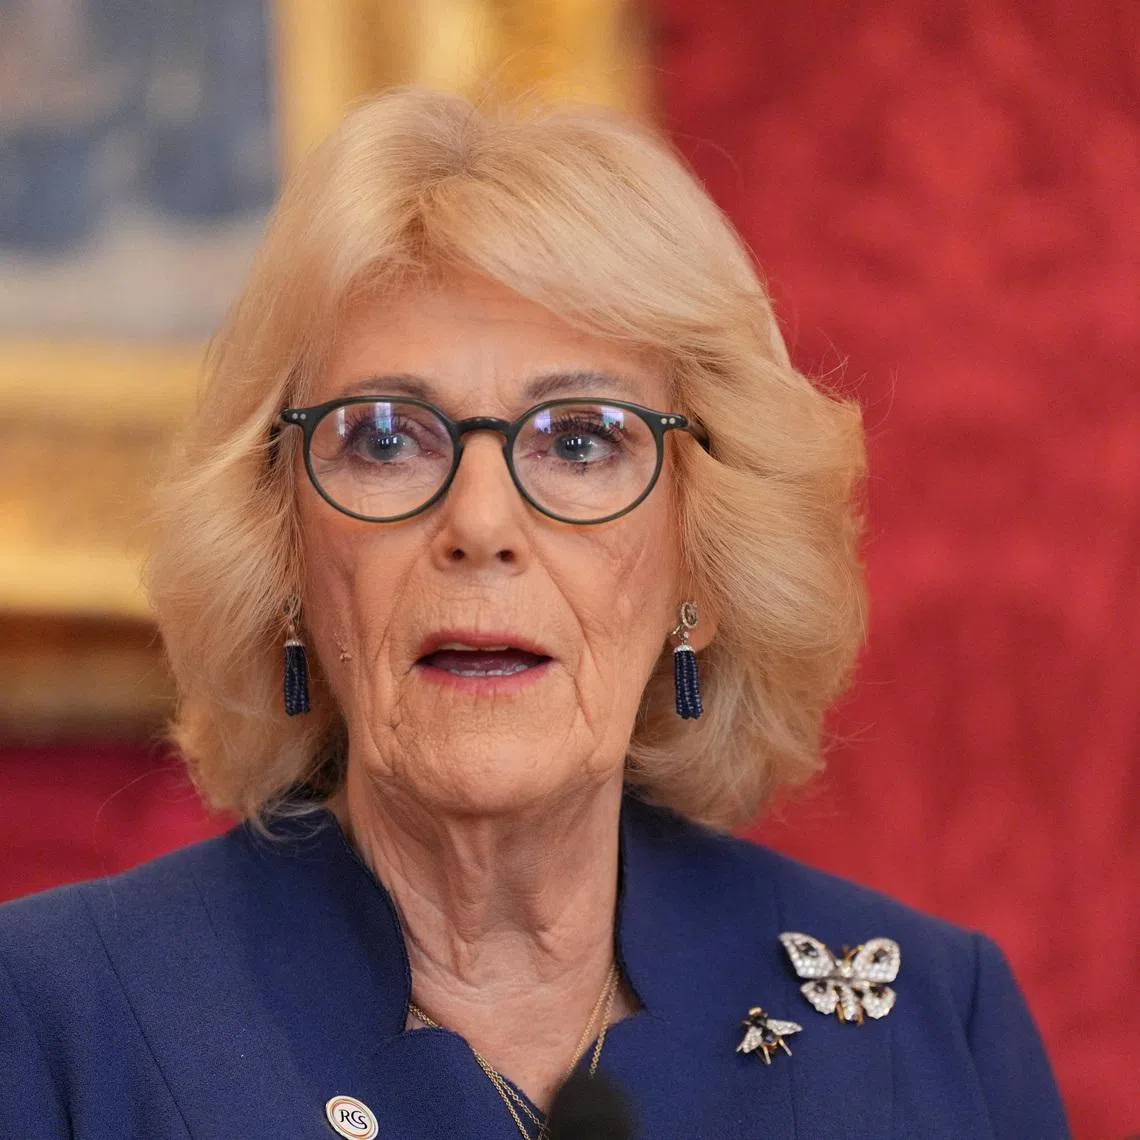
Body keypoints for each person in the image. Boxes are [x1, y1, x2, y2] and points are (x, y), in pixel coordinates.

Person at [0, 87, 1069, 1139]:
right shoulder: (53, 1025)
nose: (480, 523)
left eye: (580, 440)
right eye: (384, 438)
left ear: (701, 562)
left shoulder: (929, 1030)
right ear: (282, 549)